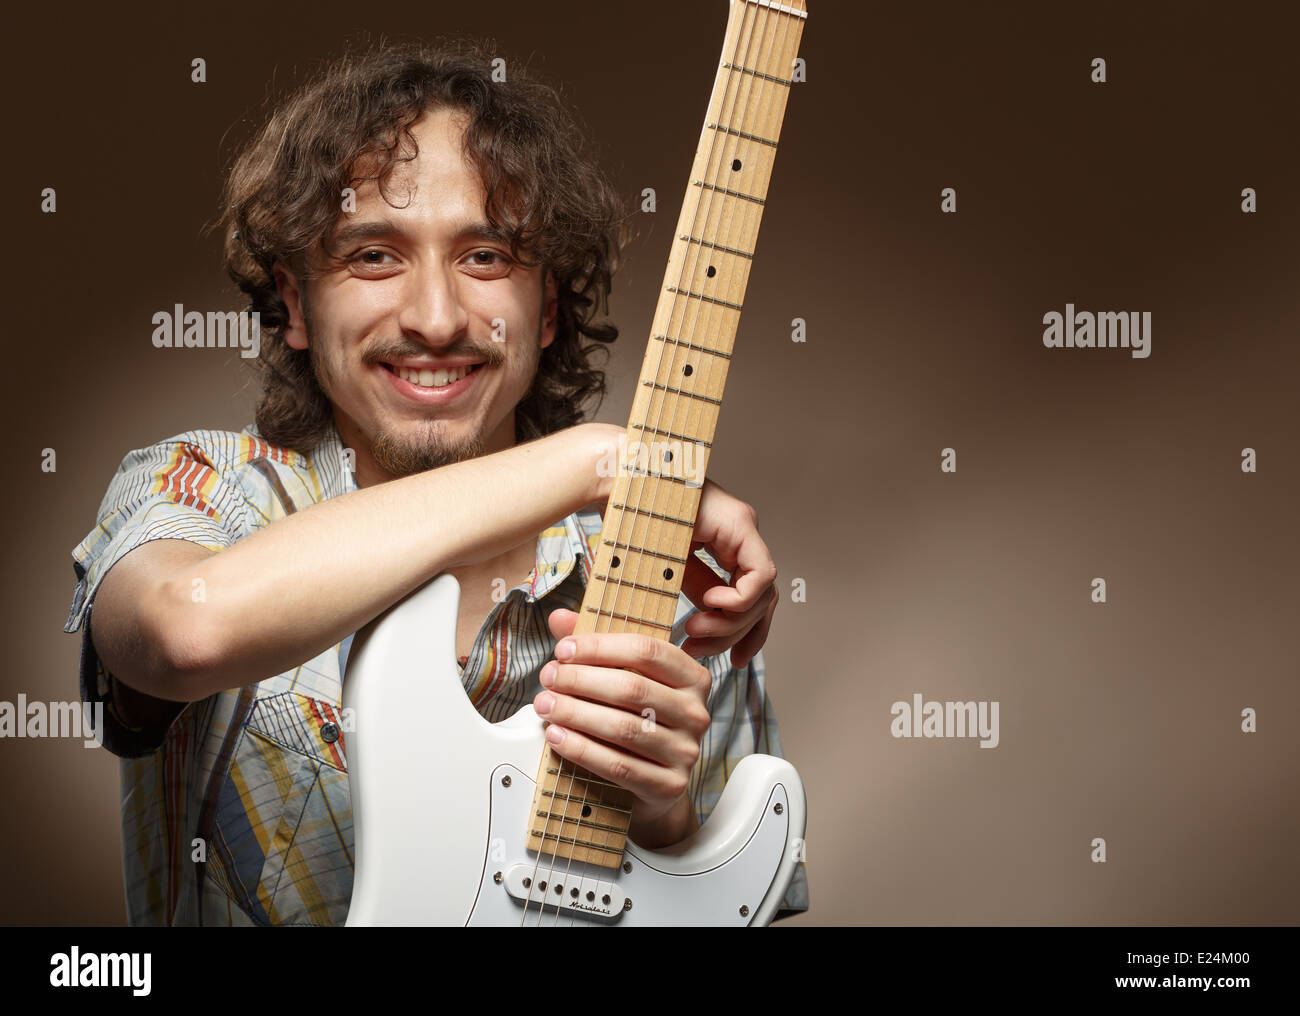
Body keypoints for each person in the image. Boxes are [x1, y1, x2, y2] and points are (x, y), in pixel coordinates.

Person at [63, 39, 809, 926]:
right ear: (296, 305)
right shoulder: (207, 491)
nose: (435, 317)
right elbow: (184, 631)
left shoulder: (674, 588)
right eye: (374, 256)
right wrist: (598, 459)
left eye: (486, 256)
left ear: (550, 306)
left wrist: (663, 821)